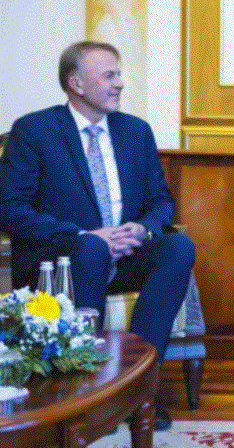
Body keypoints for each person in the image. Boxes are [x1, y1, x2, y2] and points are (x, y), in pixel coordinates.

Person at [0, 41, 194, 431]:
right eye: (109, 75)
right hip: (62, 260)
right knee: (91, 248)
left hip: (124, 256)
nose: (120, 83)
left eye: (119, 74)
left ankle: (138, 390)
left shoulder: (136, 131)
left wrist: (142, 228)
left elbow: (161, 201)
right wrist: (85, 234)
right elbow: (9, 206)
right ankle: (87, 399)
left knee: (178, 246)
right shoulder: (34, 130)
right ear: (76, 83)